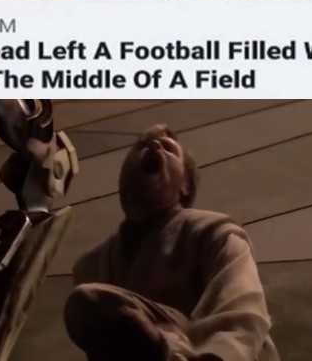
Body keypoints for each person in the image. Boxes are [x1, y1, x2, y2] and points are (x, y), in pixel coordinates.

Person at [64, 125, 279, 361]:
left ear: (185, 186)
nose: (155, 146)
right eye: (142, 146)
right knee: (89, 304)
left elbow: (241, 313)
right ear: (122, 179)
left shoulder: (217, 234)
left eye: (168, 148)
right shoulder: (91, 266)